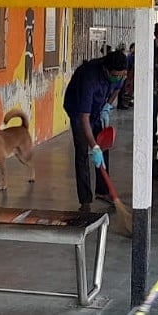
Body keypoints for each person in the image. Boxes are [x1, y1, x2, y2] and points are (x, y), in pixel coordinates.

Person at [63, 51, 128, 212]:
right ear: (106, 70)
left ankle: (103, 191)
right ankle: (85, 200)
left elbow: (117, 89)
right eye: (115, 75)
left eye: (121, 75)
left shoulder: (117, 74)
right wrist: (94, 146)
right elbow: (84, 118)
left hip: (98, 108)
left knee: (104, 147)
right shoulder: (89, 78)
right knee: (82, 153)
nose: (118, 78)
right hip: (78, 111)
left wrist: (107, 106)